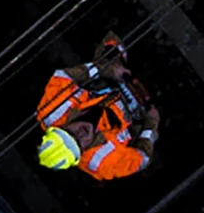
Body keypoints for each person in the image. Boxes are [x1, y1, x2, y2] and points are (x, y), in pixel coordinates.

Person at [35, 41, 158, 180]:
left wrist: (108, 70)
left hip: (112, 77)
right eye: (78, 143)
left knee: (111, 45)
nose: (80, 133)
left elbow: (64, 75)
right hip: (139, 111)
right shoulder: (103, 164)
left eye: (70, 132)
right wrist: (151, 123)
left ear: (60, 127)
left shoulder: (51, 111)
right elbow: (143, 159)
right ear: (81, 154)